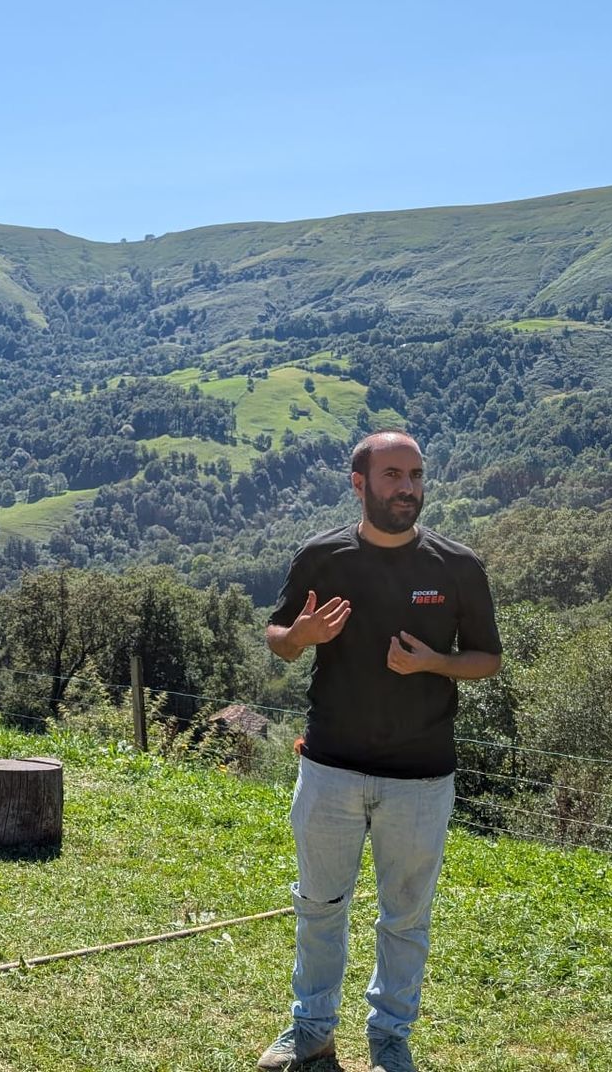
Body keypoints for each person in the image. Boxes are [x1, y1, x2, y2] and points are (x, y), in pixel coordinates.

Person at [255, 431, 502, 1072]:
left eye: (416, 475)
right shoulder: (322, 557)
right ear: (359, 483)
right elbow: (278, 637)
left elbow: (487, 659)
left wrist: (435, 663)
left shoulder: (457, 567)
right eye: (393, 475)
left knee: (406, 918)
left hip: (421, 778)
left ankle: (390, 1040)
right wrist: (300, 635)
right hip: (330, 768)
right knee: (318, 907)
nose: (408, 488)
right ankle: (311, 1031)